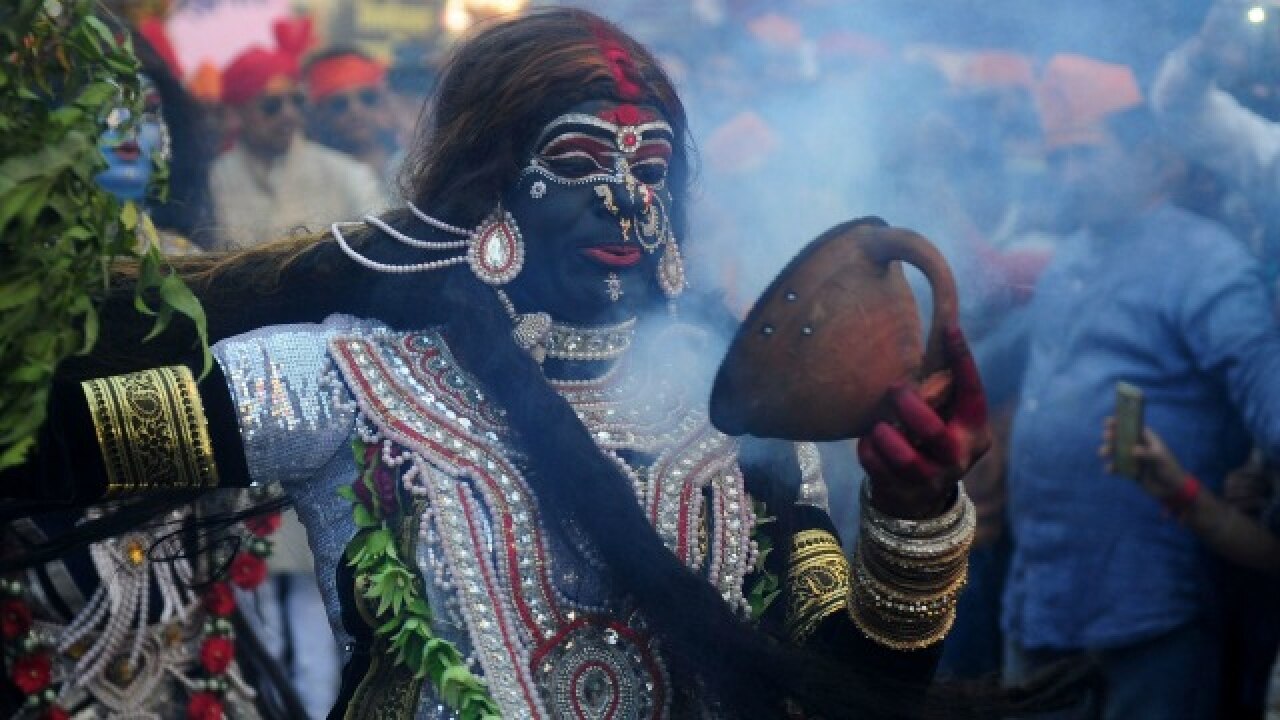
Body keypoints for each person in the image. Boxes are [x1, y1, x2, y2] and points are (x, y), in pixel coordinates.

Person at [7, 10, 994, 718]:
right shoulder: (346, 381)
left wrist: (914, 521)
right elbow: (41, 451)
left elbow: (850, 675)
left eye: (648, 168)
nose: (622, 199)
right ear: (488, 191)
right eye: (576, 164)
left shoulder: (737, 409)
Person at [1002, 54, 1280, 720]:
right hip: (1041, 592)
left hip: (1150, 605)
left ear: (1152, 158)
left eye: (1086, 156)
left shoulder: (1207, 263)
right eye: (1058, 159)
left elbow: (1267, 394)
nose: (1068, 176)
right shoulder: (1069, 258)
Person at [210, 21, 384, 249]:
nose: (288, 114)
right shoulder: (215, 178)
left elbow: (382, 252)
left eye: (296, 101)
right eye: (271, 106)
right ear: (237, 113)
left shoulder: (349, 176)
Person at [303, 47, 400, 188]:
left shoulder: (411, 161)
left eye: (367, 98)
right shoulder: (310, 177)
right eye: (339, 103)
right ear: (320, 114)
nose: (356, 110)